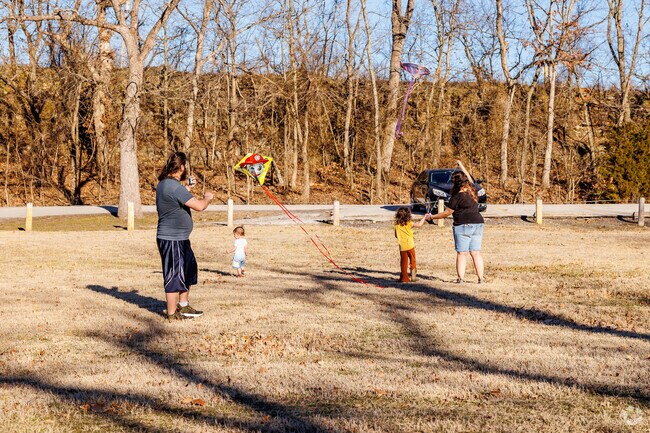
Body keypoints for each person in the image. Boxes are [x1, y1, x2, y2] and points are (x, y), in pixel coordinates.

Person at [156, 151, 214, 321]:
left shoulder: (165, 184)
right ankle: (172, 313)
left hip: (180, 238)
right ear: (181, 167)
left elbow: (175, 197)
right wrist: (207, 198)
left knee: (188, 270)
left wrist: (187, 187)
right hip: (171, 238)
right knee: (174, 274)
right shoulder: (173, 187)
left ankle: (183, 305)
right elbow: (199, 206)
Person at [427, 160, 485, 283]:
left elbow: (446, 213)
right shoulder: (472, 190)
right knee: (475, 252)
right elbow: (469, 177)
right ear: (464, 182)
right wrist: (461, 166)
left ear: (455, 183)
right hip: (478, 223)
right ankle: (480, 278)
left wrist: (431, 217)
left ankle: (461, 278)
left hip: (463, 225)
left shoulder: (456, 197)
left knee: (462, 253)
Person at [394, 207, 429, 283]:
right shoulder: (409, 223)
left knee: (404, 262)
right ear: (408, 215)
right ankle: (413, 277)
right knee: (412, 261)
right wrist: (424, 217)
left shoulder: (396, 226)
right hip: (410, 245)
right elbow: (419, 225)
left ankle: (404, 278)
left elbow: (396, 235)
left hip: (402, 247)